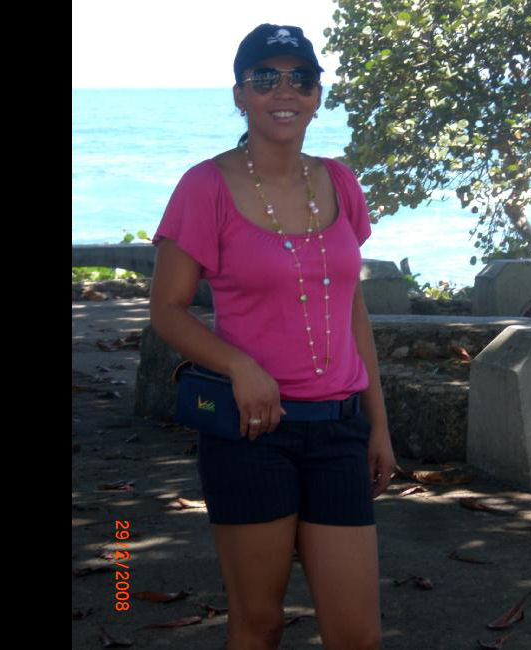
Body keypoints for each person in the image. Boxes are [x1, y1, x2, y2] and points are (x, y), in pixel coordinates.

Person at [150, 23, 396, 650]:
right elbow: (168, 310)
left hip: (339, 432)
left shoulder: (340, 182)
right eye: (265, 77)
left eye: (299, 78)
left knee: (357, 636)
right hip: (252, 434)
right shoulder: (205, 187)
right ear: (240, 94)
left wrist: (378, 425)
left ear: (317, 96)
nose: (283, 91)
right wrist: (240, 366)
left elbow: (353, 310)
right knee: (259, 624)